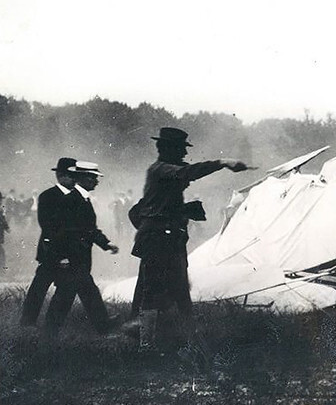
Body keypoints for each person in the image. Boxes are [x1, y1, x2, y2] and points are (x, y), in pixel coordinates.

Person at [131, 127, 251, 351]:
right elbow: (188, 173)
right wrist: (223, 163)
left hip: (167, 239)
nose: (184, 154)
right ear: (168, 149)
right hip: (158, 240)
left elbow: (186, 173)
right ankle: (146, 344)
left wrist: (184, 211)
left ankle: (180, 340)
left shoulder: (164, 170)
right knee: (156, 291)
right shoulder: (161, 169)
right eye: (180, 150)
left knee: (177, 290)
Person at [43, 161, 121, 336]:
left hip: (78, 258)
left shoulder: (82, 199)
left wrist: (105, 244)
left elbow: (89, 229)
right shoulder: (70, 200)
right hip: (72, 258)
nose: (96, 181)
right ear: (81, 178)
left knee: (70, 294)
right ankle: (103, 327)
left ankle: (50, 333)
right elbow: (58, 231)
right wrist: (62, 257)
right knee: (81, 292)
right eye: (92, 177)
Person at [19, 158, 78, 326]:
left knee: (64, 289)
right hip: (50, 252)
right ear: (60, 176)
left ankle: (51, 326)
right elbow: (48, 227)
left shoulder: (75, 197)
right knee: (39, 289)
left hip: (66, 253)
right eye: (71, 176)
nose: (74, 179)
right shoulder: (48, 196)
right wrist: (61, 255)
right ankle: (28, 322)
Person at [0, 192, 9, 272]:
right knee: (1, 252)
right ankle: (2, 269)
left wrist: (7, 228)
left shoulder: (1, 209)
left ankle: (2, 269)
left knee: (2, 252)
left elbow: (3, 220)